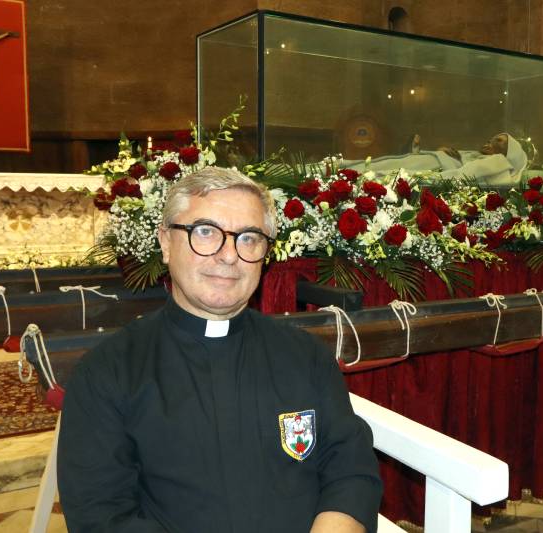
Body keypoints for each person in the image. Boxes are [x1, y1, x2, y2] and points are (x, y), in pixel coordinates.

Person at [58, 167, 383, 532]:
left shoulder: (306, 356)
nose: (229, 255)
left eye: (248, 238)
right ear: (165, 242)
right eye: (206, 232)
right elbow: (101, 516)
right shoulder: (108, 372)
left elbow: (350, 470)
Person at [342, 132, 527, 189]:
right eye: (491, 138)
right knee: (379, 164)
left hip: (431, 168)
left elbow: (462, 176)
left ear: (510, 152)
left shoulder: (497, 161)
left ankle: (340, 173)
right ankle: (340, 170)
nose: (491, 141)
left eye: (499, 141)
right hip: (428, 162)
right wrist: (444, 152)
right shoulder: (476, 155)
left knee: (380, 169)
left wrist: (425, 177)